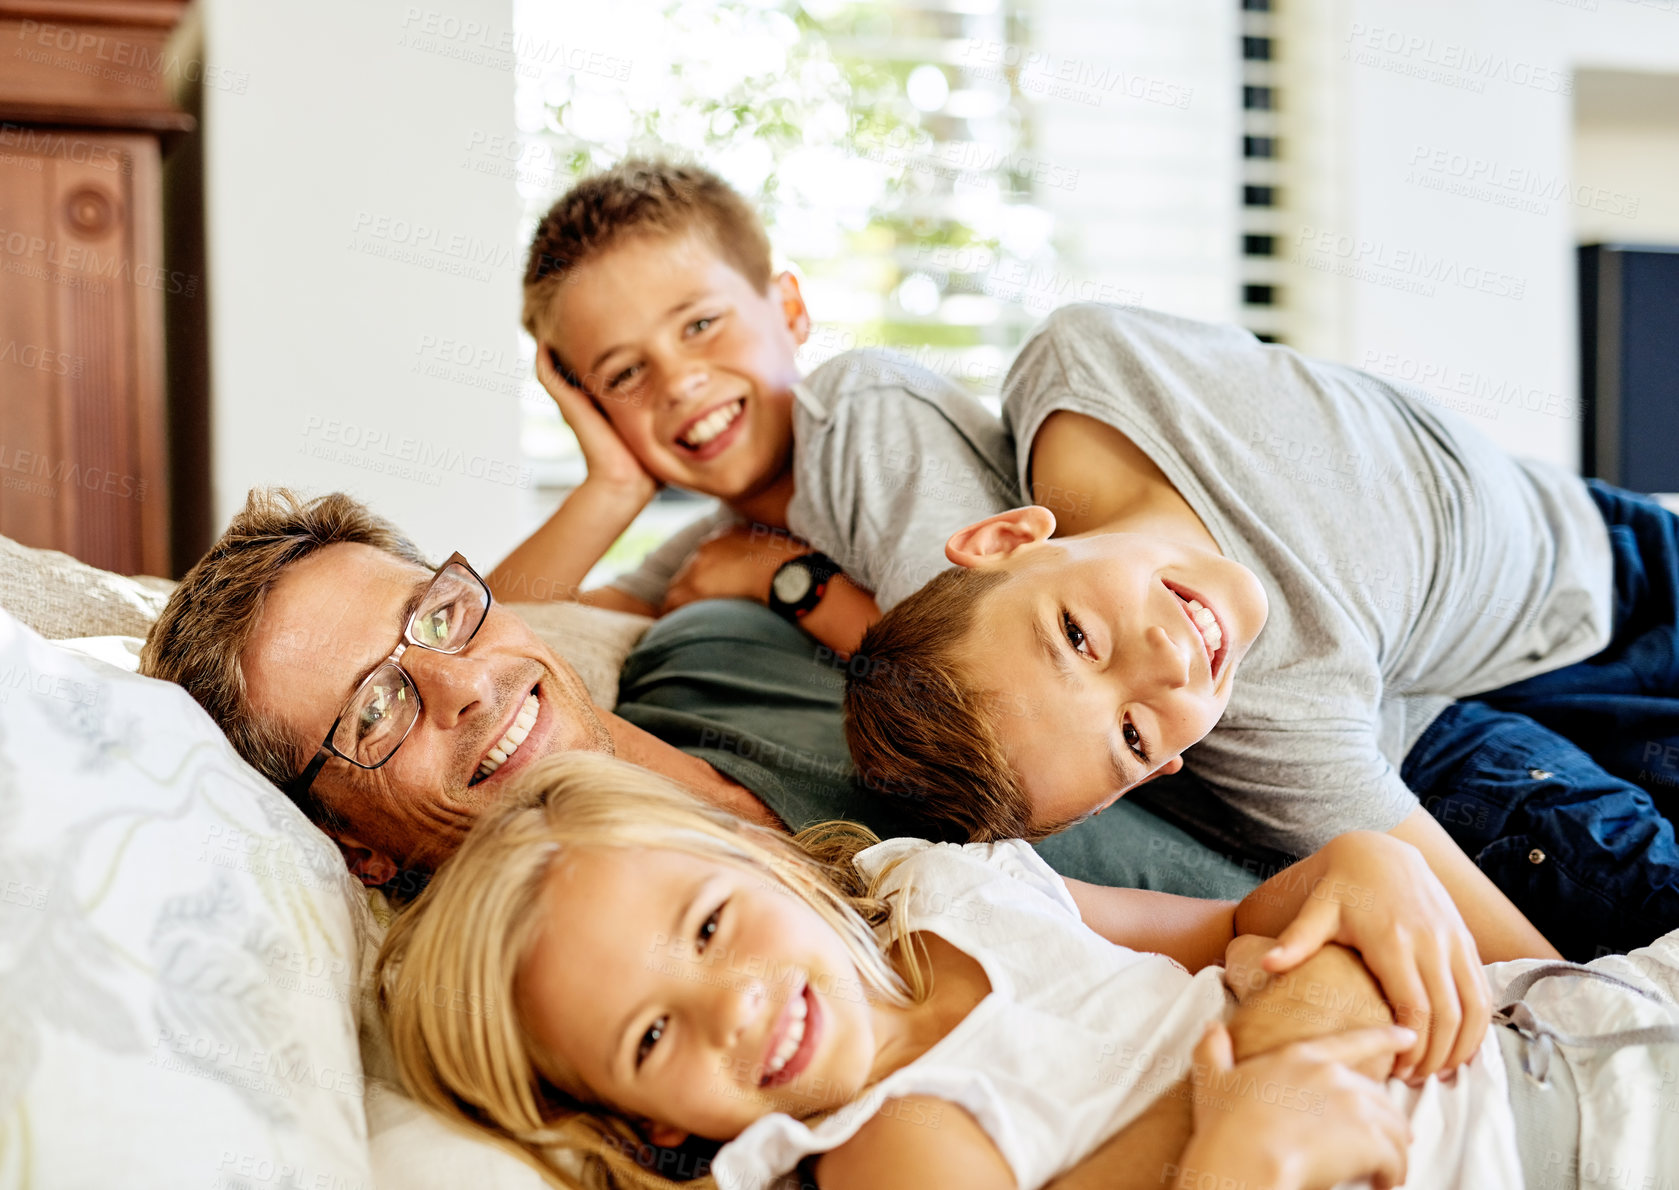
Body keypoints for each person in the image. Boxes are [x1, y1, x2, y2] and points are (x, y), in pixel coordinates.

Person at [142, 489, 1516, 1082]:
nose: (460, 684)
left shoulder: (710, 655)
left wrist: (773, 572)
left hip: (1416, 762)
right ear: (351, 844)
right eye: (375, 706)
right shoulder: (667, 1007)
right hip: (1380, 1013)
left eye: (437, 617)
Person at [378, 752, 1679, 1190]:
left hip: (1561, 1026)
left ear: (763, 862)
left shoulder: (940, 884)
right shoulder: (883, 1141)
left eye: (712, 925)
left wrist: (1356, 868)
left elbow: (1232, 931)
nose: (732, 1007)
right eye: (651, 1034)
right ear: (652, 1121)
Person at [842, 300, 1679, 962]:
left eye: (1077, 637)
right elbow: (1533, 970)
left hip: (1599, 524)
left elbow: (856, 400)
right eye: (1132, 736)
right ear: (1167, 768)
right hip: (1552, 670)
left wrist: (782, 580)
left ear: (1007, 536)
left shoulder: (1088, 357)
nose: (1168, 667)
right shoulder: (1278, 723)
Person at [495, 158, 1019, 658]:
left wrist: (782, 578)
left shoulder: (862, 408)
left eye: (701, 325)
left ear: (789, 310)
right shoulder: (722, 540)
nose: (677, 382)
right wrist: (613, 487)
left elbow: (978, 676)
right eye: (625, 373)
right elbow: (488, 646)